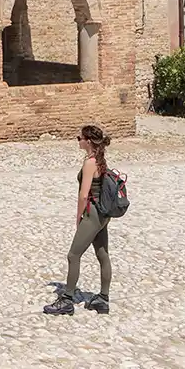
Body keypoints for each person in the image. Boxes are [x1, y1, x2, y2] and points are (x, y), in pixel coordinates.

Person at [43, 124, 115, 316]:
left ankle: (66, 300)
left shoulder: (90, 163)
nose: (78, 140)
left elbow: (84, 195)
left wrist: (78, 217)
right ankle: (103, 298)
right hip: (103, 215)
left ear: (88, 141)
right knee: (102, 255)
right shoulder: (100, 160)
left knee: (73, 255)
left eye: (79, 138)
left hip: (92, 214)